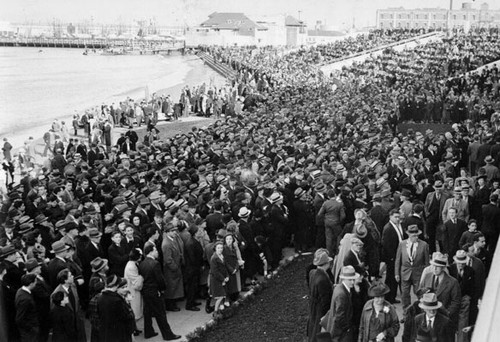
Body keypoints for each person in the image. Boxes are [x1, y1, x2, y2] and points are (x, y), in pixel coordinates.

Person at [138, 243, 180, 340]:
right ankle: (168, 335)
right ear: (151, 252)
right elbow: (160, 280)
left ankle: (148, 332)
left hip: (146, 291)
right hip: (154, 291)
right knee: (161, 314)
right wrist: (162, 289)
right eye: (156, 250)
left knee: (147, 312)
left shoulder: (142, 263)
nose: (157, 252)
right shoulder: (155, 264)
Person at [419, 252, 461, 330]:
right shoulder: (427, 276)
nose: (434, 269)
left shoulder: (452, 282)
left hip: (444, 320)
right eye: (434, 266)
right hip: (428, 318)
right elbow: (421, 294)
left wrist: (447, 313)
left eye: (438, 267)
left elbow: (456, 302)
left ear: (443, 267)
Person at [395, 224, 430, 309]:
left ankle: (420, 312)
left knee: (420, 293)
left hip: (418, 273)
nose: (415, 237)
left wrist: (426, 275)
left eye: (417, 235)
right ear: (408, 234)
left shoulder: (424, 245)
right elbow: (398, 260)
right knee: (405, 294)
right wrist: (397, 273)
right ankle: (406, 314)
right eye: (413, 235)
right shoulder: (402, 244)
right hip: (405, 272)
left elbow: (427, 262)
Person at [50, 268, 86, 342]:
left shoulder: (72, 286)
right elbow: (56, 315)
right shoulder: (56, 294)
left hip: (77, 323)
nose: (73, 276)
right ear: (65, 280)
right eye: (70, 276)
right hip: (67, 328)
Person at [324, 265, 358, 342]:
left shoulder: (339, 287)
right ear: (344, 279)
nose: (352, 282)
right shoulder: (342, 295)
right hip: (341, 333)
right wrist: (348, 328)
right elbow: (340, 317)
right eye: (350, 280)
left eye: (353, 279)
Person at [97, 275, 136, 342]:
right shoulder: (117, 300)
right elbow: (126, 317)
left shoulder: (100, 298)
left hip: (106, 333)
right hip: (119, 334)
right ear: (117, 286)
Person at [307, 250, 333, 342]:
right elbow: (325, 301)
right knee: (318, 332)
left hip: (313, 306)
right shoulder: (323, 279)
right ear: (326, 264)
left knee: (312, 328)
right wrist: (326, 315)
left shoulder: (312, 273)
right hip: (320, 310)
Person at [15, 273, 39, 342]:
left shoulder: (21, 291)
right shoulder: (25, 299)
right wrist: (32, 328)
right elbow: (19, 318)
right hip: (29, 332)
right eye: (35, 281)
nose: (36, 283)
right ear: (31, 284)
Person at [124, 248, 144, 322]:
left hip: (133, 288)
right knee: (135, 308)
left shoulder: (133, 263)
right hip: (133, 289)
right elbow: (136, 280)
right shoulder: (131, 267)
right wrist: (141, 277)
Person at [209, 240, 229, 313]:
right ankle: (216, 311)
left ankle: (218, 311)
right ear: (215, 248)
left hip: (221, 278)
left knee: (222, 295)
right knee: (220, 296)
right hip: (216, 280)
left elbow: (224, 267)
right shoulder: (214, 258)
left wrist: (226, 276)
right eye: (218, 248)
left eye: (221, 248)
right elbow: (215, 271)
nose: (220, 249)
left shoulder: (221, 256)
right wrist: (223, 279)